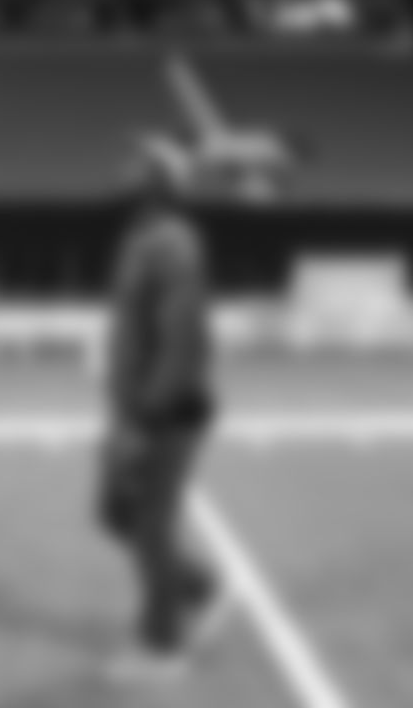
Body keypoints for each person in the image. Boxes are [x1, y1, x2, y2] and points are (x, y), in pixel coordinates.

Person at [97, 140, 231, 682]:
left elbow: (183, 338)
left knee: (151, 526)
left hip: (164, 410)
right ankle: (199, 589)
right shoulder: (138, 240)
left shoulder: (174, 243)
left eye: (134, 166)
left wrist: (147, 419)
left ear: (158, 182)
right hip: (132, 408)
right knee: (115, 513)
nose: (121, 173)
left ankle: (162, 648)